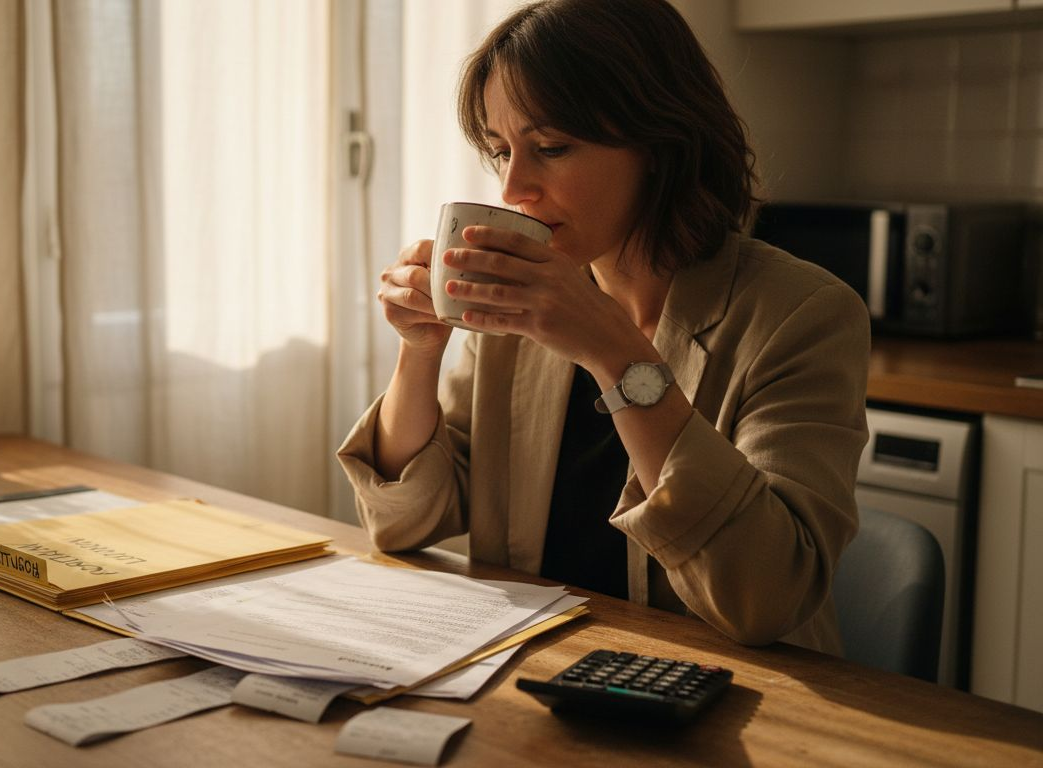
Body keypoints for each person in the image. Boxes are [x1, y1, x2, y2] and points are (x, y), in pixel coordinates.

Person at [336, 0, 869, 654]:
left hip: (732, 704)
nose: (513, 189)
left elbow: (765, 596)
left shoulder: (802, 315)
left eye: (551, 147)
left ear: (660, 143)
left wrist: (617, 356)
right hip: (544, 677)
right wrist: (418, 352)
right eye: (501, 152)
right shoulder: (523, 303)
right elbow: (401, 523)